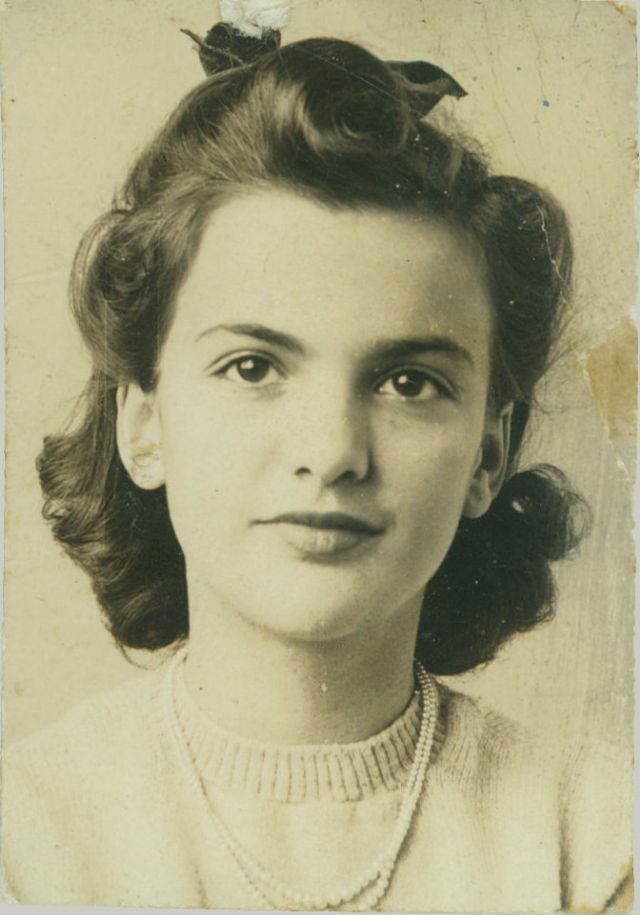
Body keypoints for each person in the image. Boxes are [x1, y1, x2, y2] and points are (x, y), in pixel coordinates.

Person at [1, 5, 632, 912]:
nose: (333, 453)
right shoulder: (25, 842)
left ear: (489, 456)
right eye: (252, 367)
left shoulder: (598, 842)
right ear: (144, 424)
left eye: (408, 382)